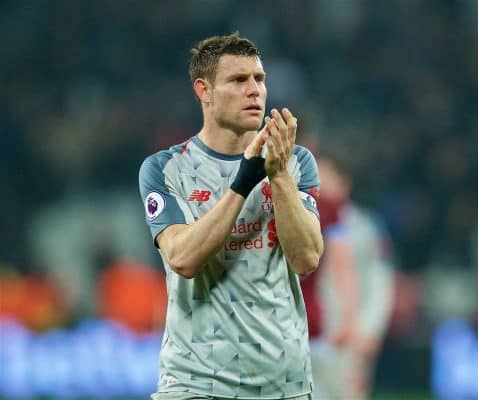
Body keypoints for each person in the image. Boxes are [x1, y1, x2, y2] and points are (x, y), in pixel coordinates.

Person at [138, 33, 323, 400]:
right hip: (195, 383)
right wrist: (244, 181)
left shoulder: (296, 162)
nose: (255, 90)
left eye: (259, 79)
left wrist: (278, 174)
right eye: (238, 80)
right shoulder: (166, 168)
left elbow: (306, 259)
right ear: (204, 91)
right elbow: (183, 258)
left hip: (284, 385)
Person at [306, 151, 396, 400]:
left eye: (323, 175)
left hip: (349, 337)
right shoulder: (303, 219)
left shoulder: (365, 227)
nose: (316, 181)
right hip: (311, 331)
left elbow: (380, 281)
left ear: (343, 181)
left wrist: (369, 329)